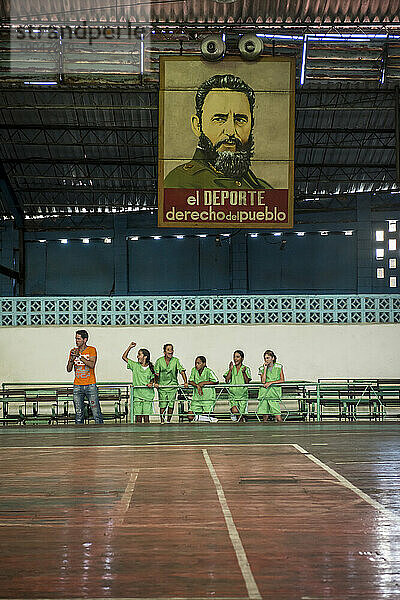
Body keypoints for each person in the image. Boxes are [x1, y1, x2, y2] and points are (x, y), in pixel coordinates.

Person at [164, 73, 272, 190]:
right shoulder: (180, 183)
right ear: (197, 126)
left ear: (252, 124)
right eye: (219, 119)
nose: (231, 131)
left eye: (240, 120)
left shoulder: (263, 188)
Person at [66, 329, 104, 424]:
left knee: (95, 411)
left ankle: (100, 431)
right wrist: (71, 360)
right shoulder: (73, 351)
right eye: (76, 339)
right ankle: (79, 433)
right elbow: (69, 369)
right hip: (77, 385)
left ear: (85, 339)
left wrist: (79, 357)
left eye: (79, 339)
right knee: (78, 412)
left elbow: (92, 365)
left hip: (90, 384)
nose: (76, 341)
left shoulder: (91, 350)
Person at [122, 342, 155, 424]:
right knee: (138, 418)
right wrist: (129, 347)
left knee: (146, 418)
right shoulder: (135, 366)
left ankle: (147, 434)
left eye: (139, 354)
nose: (137, 356)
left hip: (147, 395)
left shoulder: (151, 368)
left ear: (145, 357)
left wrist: (151, 383)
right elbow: (124, 357)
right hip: (137, 395)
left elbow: (154, 378)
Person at [154, 343, 188, 423]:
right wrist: (155, 382)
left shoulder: (176, 361)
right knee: (162, 405)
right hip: (162, 387)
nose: (170, 351)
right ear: (164, 352)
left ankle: (168, 421)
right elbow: (156, 373)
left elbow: (182, 371)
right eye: (168, 350)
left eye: (172, 349)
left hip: (172, 386)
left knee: (171, 405)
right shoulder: (159, 361)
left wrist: (185, 382)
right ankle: (162, 421)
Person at [188, 356, 219, 423]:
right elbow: (190, 381)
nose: (196, 365)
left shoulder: (208, 371)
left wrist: (203, 383)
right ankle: (200, 418)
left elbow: (216, 381)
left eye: (198, 363)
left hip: (207, 397)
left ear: (204, 364)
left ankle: (201, 418)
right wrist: (197, 385)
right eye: (195, 363)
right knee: (190, 416)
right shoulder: (194, 370)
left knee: (207, 416)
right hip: (197, 397)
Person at [257, 350, 285, 423]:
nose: (266, 360)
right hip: (264, 394)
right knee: (265, 418)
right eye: (265, 358)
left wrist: (271, 383)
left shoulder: (279, 366)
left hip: (274, 394)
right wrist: (265, 369)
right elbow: (263, 381)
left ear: (272, 358)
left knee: (278, 416)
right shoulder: (261, 368)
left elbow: (282, 380)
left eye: (268, 358)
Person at [223, 350, 251, 422]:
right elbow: (227, 380)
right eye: (234, 357)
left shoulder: (246, 368)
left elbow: (247, 381)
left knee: (241, 414)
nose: (235, 359)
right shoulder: (232, 368)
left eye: (237, 357)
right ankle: (240, 419)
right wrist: (230, 370)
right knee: (235, 410)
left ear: (242, 358)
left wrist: (244, 372)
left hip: (243, 396)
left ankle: (241, 426)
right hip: (233, 395)